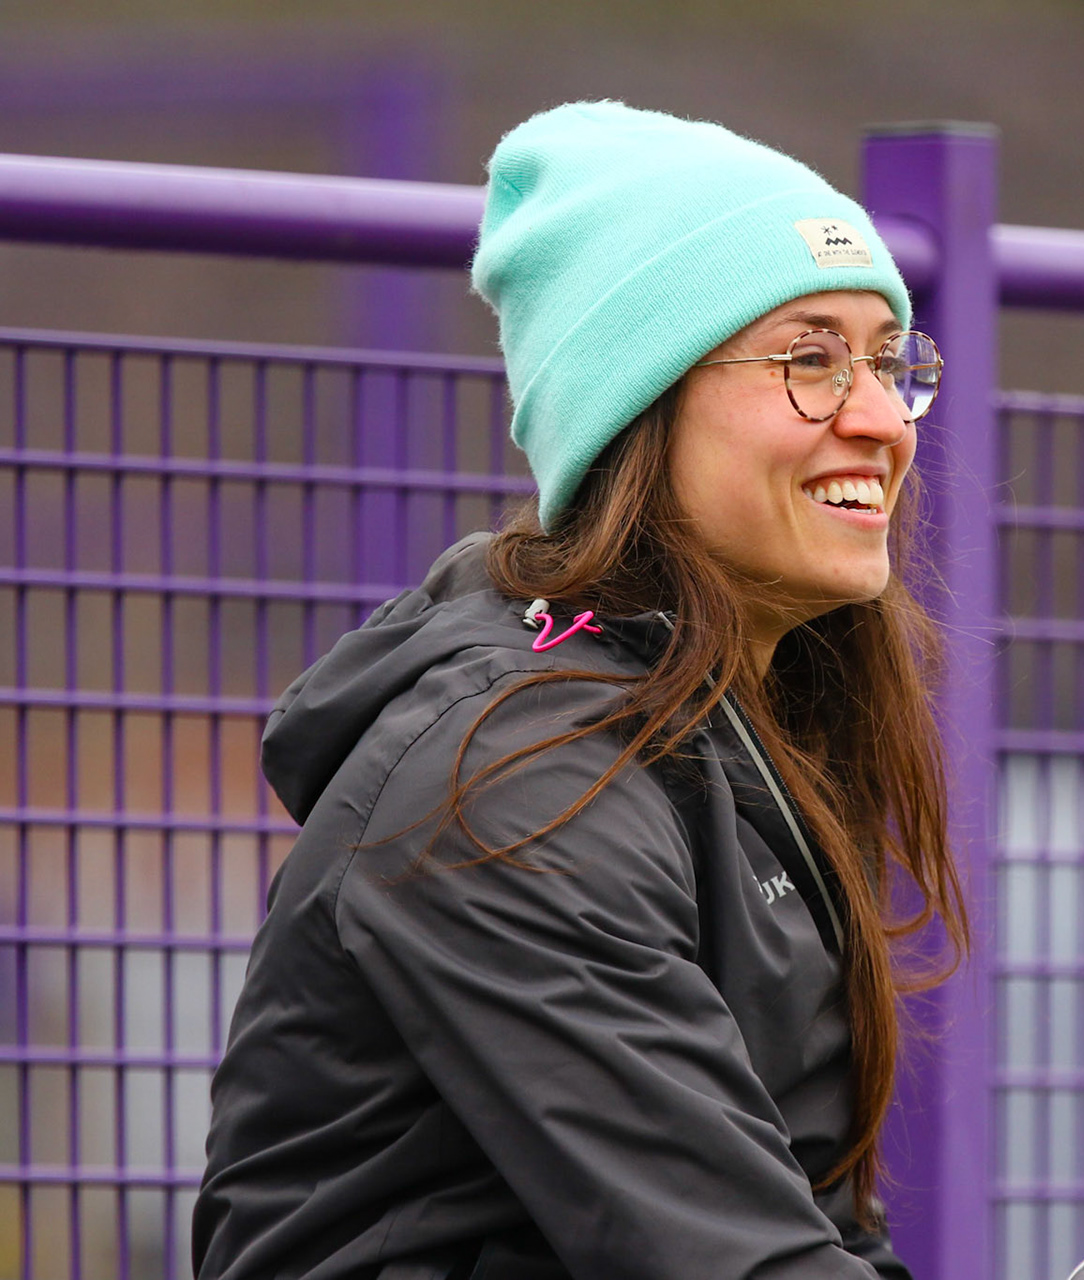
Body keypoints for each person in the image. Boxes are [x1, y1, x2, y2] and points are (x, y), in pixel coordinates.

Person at [193, 102, 964, 1280]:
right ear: (636, 408)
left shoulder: (735, 734)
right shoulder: (508, 784)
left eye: (887, 361)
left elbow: (815, 1234)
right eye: (810, 359)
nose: (878, 420)